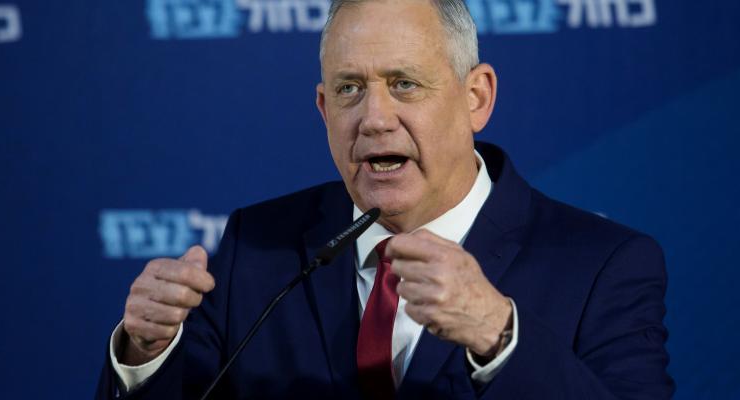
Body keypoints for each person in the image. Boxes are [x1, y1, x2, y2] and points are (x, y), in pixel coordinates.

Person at [96, 0, 674, 398]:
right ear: (324, 110)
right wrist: (144, 354)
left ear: (476, 97)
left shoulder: (603, 264)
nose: (374, 119)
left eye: (404, 84)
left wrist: (500, 336)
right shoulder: (258, 246)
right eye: (350, 89)